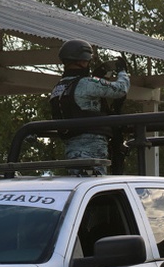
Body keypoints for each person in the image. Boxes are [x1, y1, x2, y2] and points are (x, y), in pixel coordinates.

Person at [49, 39, 130, 174]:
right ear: (81, 62)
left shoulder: (58, 87)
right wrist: (122, 72)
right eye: (87, 61)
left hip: (72, 150)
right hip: (93, 151)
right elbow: (121, 89)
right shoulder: (86, 83)